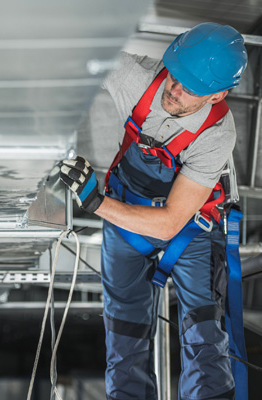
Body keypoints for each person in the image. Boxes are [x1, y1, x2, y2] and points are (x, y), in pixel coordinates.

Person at [59, 23, 248, 400]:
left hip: (189, 227)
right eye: (174, 77)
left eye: (189, 88)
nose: (173, 91)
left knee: (204, 336)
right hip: (126, 213)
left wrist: (96, 202)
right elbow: (75, 50)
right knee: (124, 335)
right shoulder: (136, 78)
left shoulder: (217, 133)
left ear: (218, 95)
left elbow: (170, 223)